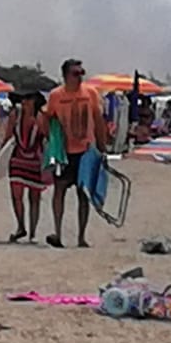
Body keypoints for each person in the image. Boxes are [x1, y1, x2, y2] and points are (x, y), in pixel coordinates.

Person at [37, 59, 108, 248]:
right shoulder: (56, 96)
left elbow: (98, 120)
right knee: (59, 189)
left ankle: (81, 236)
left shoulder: (90, 93)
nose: (79, 77)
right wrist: (49, 139)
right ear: (66, 75)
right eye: (75, 73)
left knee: (83, 193)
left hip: (85, 151)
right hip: (64, 152)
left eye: (81, 73)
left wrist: (102, 146)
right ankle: (57, 232)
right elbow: (47, 117)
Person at [3, 88, 47, 243]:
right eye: (23, 99)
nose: (25, 102)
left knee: (34, 197)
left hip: (35, 159)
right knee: (16, 195)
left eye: (28, 99)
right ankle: (21, 226)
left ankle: (33, 232)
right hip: (17, 157)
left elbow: (47, 137)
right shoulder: (15, 115)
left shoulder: (41, 117)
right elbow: (8, 135)